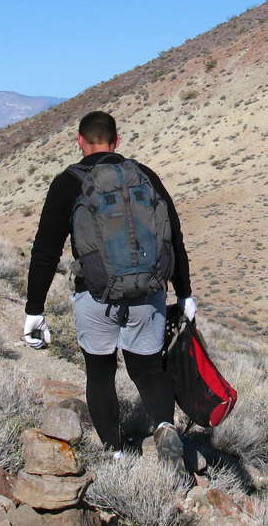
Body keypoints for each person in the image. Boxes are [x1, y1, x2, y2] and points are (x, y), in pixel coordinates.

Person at [23, 110, 196, 465]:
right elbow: (173, 237)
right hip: (148, 292)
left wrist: (34, 309)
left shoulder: (68, 182)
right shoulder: (144, 176)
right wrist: (184, 292)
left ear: (80, 141)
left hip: (95, 294)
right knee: (148, 369)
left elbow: (45, 250)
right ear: (116, 141)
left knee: (100, 373)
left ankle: (115, 453)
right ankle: (165, 426)